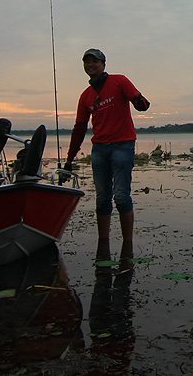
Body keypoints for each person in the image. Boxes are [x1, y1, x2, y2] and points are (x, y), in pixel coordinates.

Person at [65, 48, 150, 257]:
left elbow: (141, 103)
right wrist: (69, 158)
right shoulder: (85, 96)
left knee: (121, 196)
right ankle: (103, 244)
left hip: (123, 145)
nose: (90, 65)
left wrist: (140, 102)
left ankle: (127, 246)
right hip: (100, 149)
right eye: (86, 62)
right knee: (102, 198)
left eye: (94, 61)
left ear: (103, 64)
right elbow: (79, 128)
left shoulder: (119, 81)